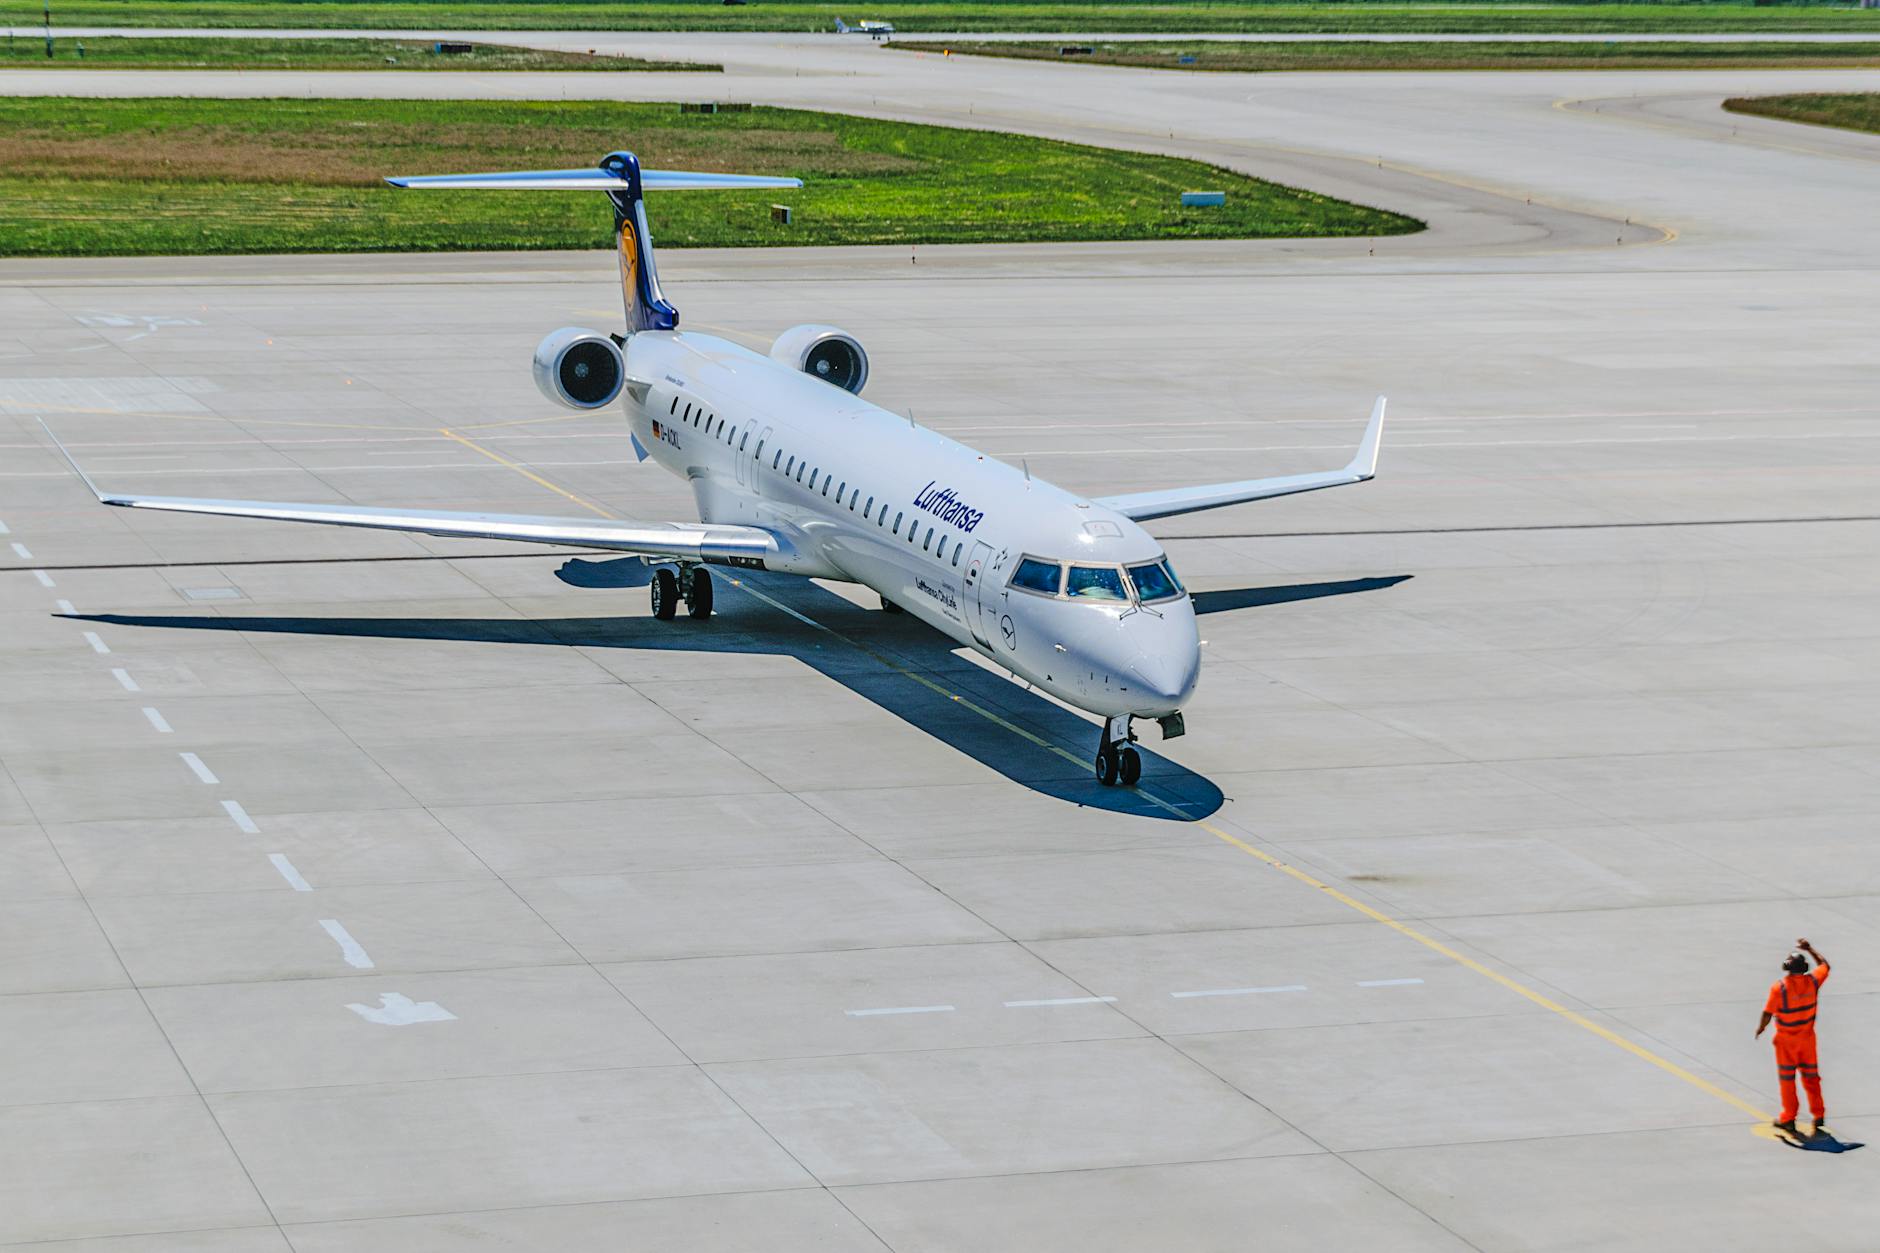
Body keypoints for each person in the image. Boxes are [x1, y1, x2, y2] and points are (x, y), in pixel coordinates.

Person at [1756, 937, 1830, 1137]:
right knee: (1812, 1079)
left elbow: (1767, 1013)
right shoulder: (1813, 982)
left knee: (1788, 1081)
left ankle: (1788, 1118)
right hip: (1807, 1040)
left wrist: (1761, 1028)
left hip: (1786, 1044)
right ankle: (1819, 1114)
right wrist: (1810, 948)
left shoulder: (1779, 988)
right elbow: (1825, 966)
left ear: (1787, 968)